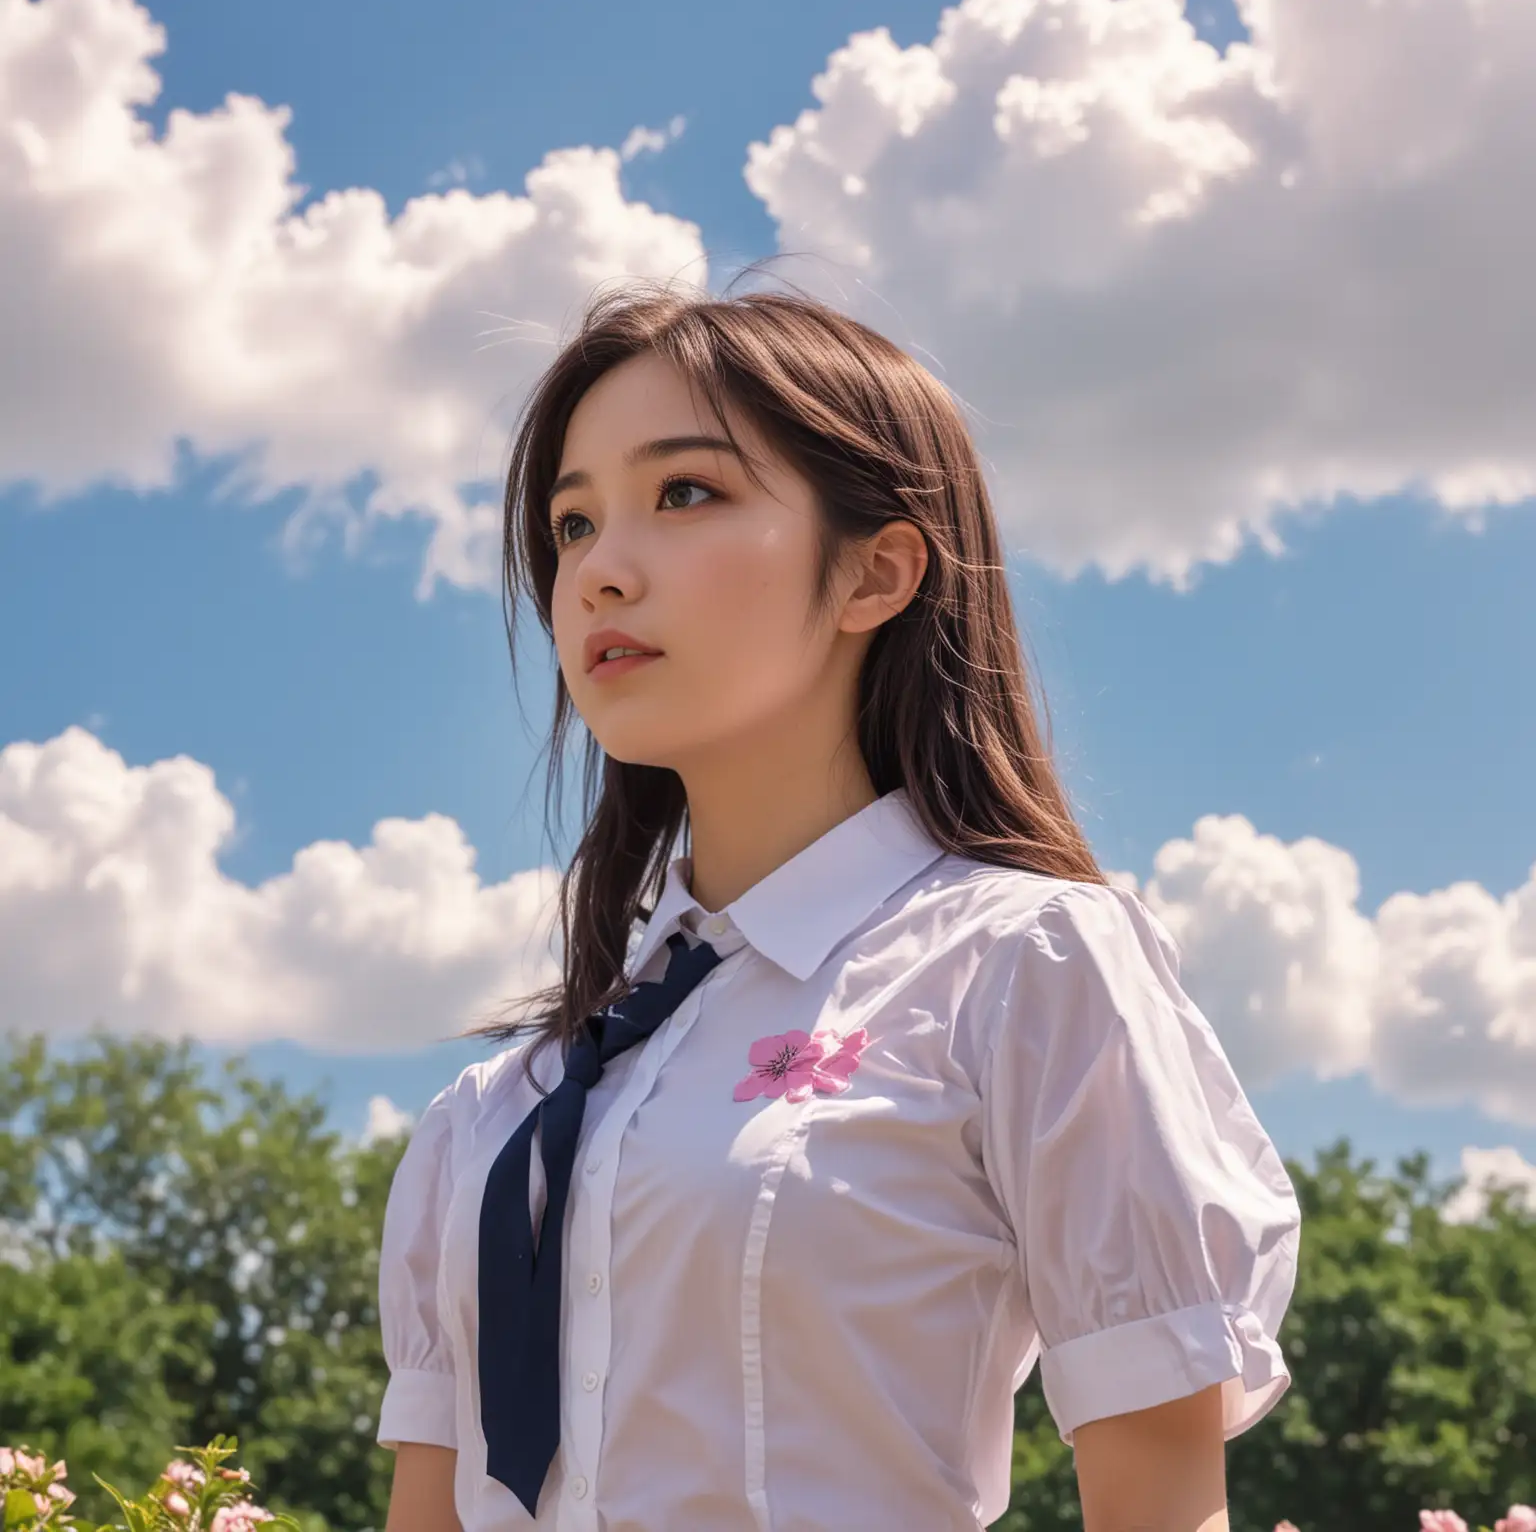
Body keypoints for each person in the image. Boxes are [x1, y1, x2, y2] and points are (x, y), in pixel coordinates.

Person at [374, 283, 1302, 1532]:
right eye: (573, 523)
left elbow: (1163, 1509)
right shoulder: (496, 1115)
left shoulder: (1024, 968)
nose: (598, 571)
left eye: (683, 493)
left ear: (878, 572)